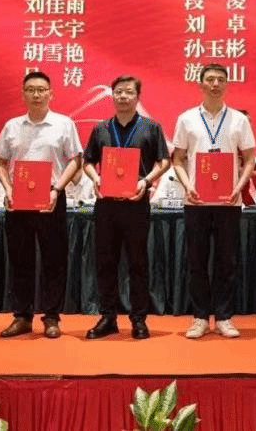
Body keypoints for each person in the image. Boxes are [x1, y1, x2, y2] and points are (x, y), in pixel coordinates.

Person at [0, 71, 82, 339]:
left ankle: (52, 317)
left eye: (41, 90)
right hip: (18, 199)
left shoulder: (64, 124)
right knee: (20, 259)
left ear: (51, 94)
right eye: (30, 89)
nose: (36, 94)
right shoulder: (12, 126)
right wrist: (8, 189)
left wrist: (57, 189)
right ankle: (22, 316)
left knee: (54, 259)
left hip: (52, 197)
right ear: (23, 94)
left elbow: (75, 160)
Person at [171, 63, 256, 339]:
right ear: (200, 84)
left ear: (227, 84)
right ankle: (199, 317)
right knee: (196, 261)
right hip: (196, 202)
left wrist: (238, 187)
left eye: (220, 79)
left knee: (226, 262)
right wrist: (188, 186)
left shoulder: (239, 120)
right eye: (210, 79)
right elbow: (177, 159)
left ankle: (223, 317)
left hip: (228, 202)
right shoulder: (186, 119)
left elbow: (250, 159)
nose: (215, 84)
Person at [82, 75, 170, 340]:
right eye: (118, 91)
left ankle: (139, 319)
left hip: (136, 203)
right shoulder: (101, 128)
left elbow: (163, 161)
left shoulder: (151, 127)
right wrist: (96, 178)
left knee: (138, 263)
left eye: (128, 92)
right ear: (112, 95)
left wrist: (146, 181)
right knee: (105, 262)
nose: (123, 96)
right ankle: (108, 317)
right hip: (106, 205)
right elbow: (88, 161)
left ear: (137, 97)